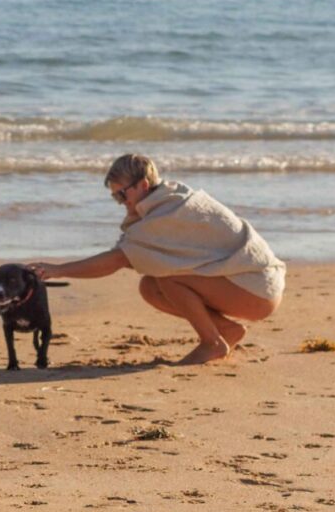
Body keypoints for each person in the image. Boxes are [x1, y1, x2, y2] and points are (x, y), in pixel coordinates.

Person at [29, 153, 286, 365]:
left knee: (168, 276)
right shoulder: (165, 201)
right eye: (114, 196)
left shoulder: (167, 212)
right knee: (151, 286)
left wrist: (58, 270)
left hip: (257, 289)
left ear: (142, 185)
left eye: (122, 194)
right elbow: (130, 257)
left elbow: (116, 259)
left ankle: (212, 343)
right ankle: (226, 331)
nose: (119, 202)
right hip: (251, 286)